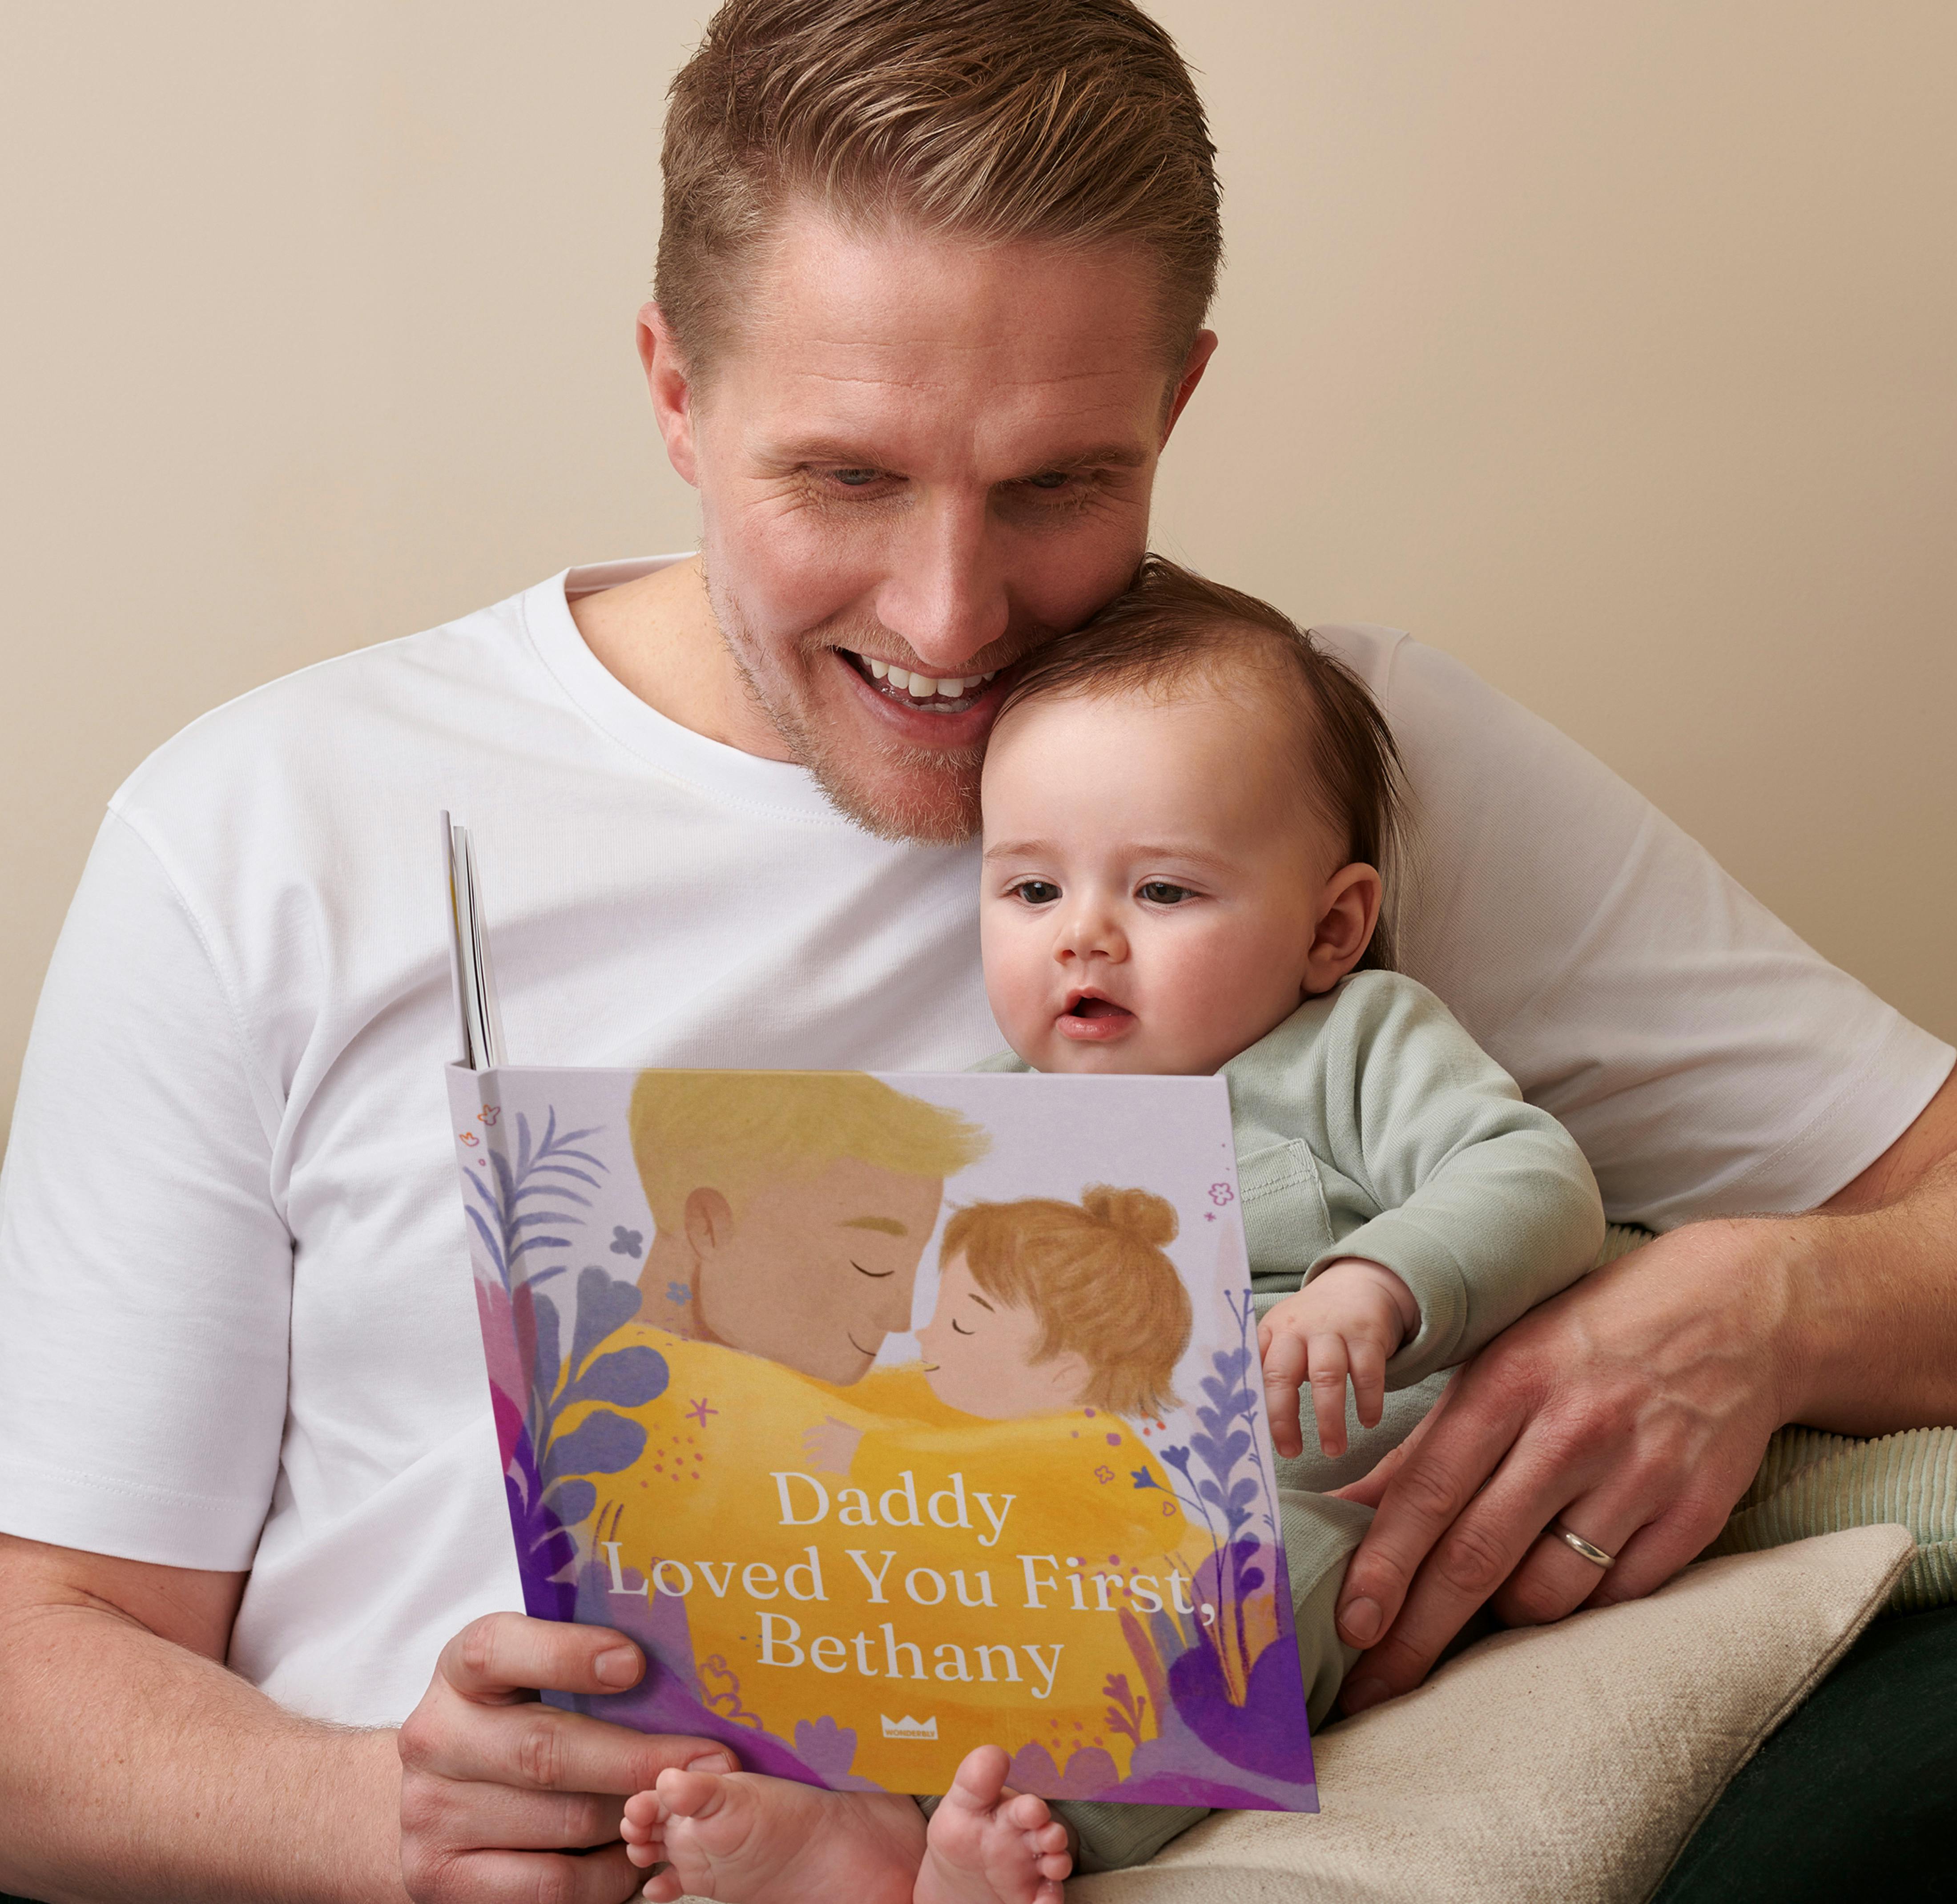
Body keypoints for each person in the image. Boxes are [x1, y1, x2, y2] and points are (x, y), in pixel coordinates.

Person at [0, 2, 1951, 1900]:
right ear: (674, 391)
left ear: (1176, 398)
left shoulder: (1309, 758)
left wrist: (1763, 1308)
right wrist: (377, 1822)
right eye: (845, 477)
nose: (949, 614)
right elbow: (39, 1660)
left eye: (1057, 486)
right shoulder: (265, 824)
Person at [618, 564, 1607, 1903]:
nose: (1084, 939)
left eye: (1163, 895)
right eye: (1030, 894)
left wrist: (1379, 1281)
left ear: (1331, 929)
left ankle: (1015, 1837)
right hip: (1060, 1507)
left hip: (1306, 1498)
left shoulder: (1351, 1048)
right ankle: (849, 1816)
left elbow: (1535, 1177)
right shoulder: (984, 1121)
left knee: (1224, 1621)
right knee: (875, 1597)